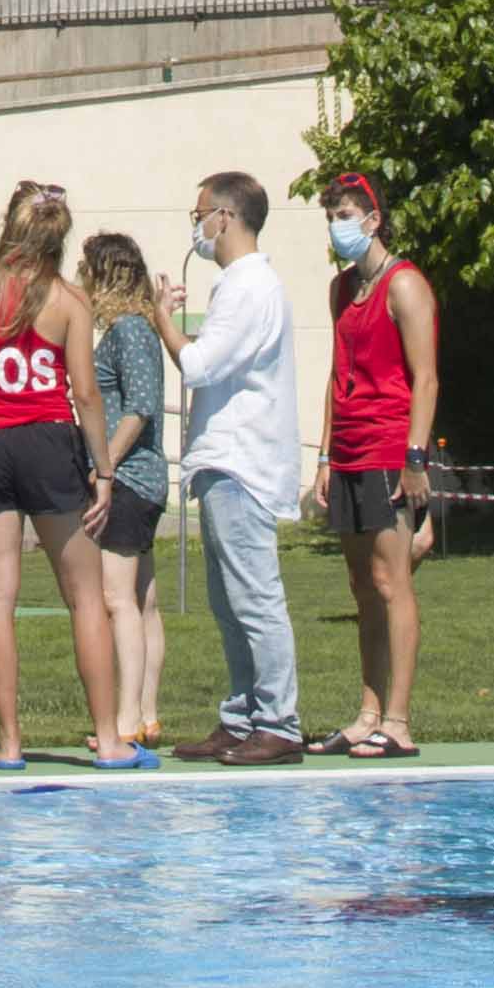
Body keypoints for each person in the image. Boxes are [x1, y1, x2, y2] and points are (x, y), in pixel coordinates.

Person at [0, 184, 99, 770]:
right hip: (50, 438)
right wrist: (102, 469)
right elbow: (83, 392)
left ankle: (9, 742)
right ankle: (108, 738)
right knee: (85, 597)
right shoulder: (68, 300)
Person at [172, 171, 313, 762]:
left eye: (199, 213)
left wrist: (161, 319)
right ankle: (241, 715)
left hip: (242, 463)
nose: (197, 227)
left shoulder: (250, 285)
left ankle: (279, 720)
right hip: (223, 460)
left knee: (253, 595)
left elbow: (200, 364)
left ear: (225, 217)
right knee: (228, 600)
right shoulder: (237, 286)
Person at [317, 166, 441, 756]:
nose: (337, 227)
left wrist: (416, 459)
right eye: (331, 217)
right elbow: (335, 373)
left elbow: (426, 378)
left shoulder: (405, 285)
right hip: (348, 452)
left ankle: (399, 720)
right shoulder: (342, 290)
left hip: (392, 447)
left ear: (372, 220)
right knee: (363, 587)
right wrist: (323, 456)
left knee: (394, 584)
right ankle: (367, 712)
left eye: (345, 217)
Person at [74, 226, 186, 765]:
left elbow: (139, 409)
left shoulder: (128, 332)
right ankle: (144, 713)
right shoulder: (130, 331)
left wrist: (103, 468)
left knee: (117, 601)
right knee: (142, 600)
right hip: (140, 480)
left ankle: (124, 721)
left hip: (130, 481)